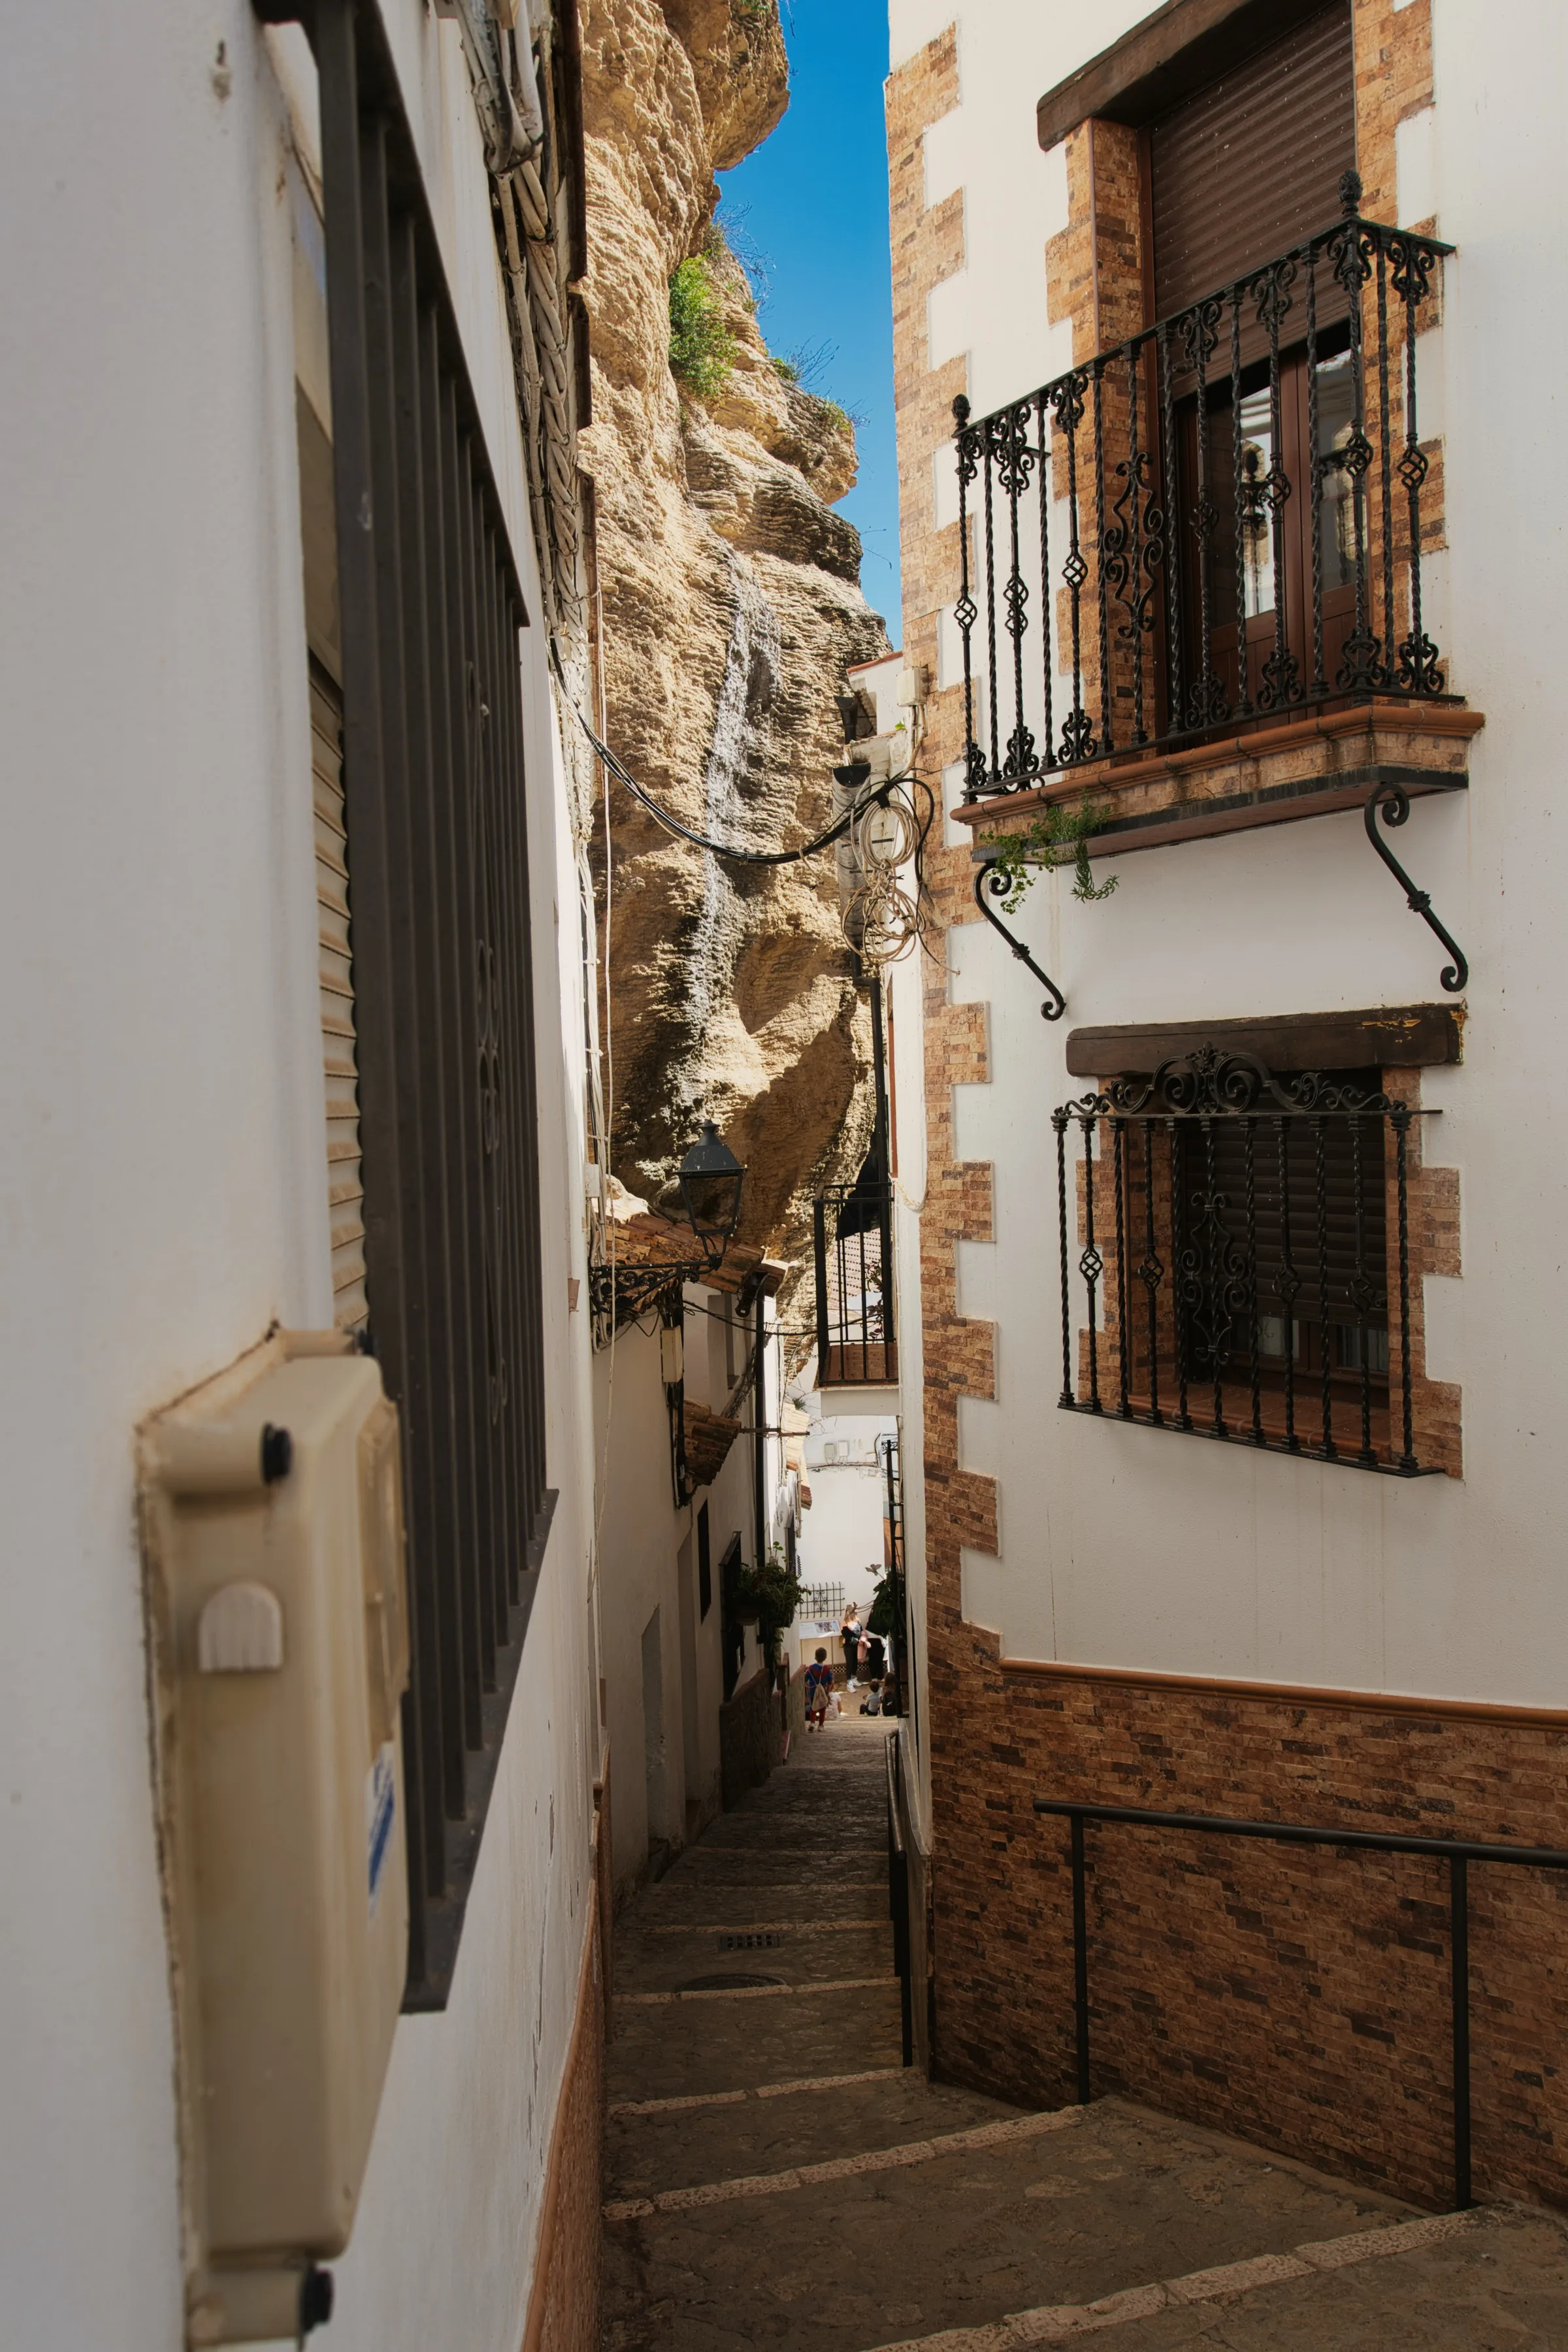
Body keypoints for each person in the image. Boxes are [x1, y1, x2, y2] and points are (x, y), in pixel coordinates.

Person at [803, 1647, 832, 1731]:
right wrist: (828, 1692)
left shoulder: (811, 1668)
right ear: (825, 1658)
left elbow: (805, 1679)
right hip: (823, 1691)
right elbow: (830, 1682)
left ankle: (812, 1723)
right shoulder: (827, 1669)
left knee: (813, 1707)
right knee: (823, 1708)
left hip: (813, 1691)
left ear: (815, 1657)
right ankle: (821, 1725)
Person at [840, 1607, 862, 1690]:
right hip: (848, 1645)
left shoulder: (858, 1621)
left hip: (856, 1644)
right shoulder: (845, 1622)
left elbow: (861, 1630)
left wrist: (861, 1639)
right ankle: (849, 1681)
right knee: (849, 1662)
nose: (851, 1613)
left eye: (853, 1611)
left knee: (855, 1662)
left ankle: (854, 1678)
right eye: (849, 1612)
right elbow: (845, 1633)